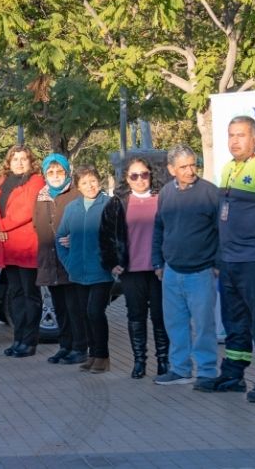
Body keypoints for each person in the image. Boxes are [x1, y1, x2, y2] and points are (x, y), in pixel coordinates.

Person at [195, 116, 255, 403]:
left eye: (241, 135)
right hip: (231, 260)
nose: (235, 141)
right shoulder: (229, 168)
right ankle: (233, 375)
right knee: (235, 321)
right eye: (231, 135)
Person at [152, 145, 222, 388]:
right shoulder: (165, 195)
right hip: (172, 272)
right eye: (183, 167)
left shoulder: (210, 193)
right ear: (171, 169)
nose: (190, 170)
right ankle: (180, 369)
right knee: (175, 324)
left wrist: (217, 263)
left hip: (201, 272)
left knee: (203, 326)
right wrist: (158, 262)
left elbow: (223, 229)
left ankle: (206, 372)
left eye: (193, 164)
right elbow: (159, 228)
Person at [102, 158, 169, 379]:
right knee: (136, 316)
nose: (140, 179)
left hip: (159, 270)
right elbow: (106, 235)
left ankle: (163, 361)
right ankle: (139, 361)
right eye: (134, 175)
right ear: (127, 178)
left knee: (160, 317)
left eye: (144, 174)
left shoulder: (163, 199)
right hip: (132, 270)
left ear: (151, 174)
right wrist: (113, 262)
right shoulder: (118, 202)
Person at [0, 146, 45, 358]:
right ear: (9, 162)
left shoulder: (36, 181)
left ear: (31, 162)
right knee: (16, 295)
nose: (19, 163)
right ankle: (18, 339)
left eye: (23, 159)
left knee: (30, 295)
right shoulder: (4, 181)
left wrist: (1, 226)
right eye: (15, 159)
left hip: (27, 245)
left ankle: (29, 342)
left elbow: (27, 210)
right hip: (8, 245)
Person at [56, 166, 114, 373]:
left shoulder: (109, 204)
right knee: (84, 313)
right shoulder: (72, 208)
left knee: (95, 312)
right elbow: (60, 239)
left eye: (93, 181)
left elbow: (118, 237)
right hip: (78, 272)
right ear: (78, 187)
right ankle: (92, 354)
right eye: (84, 183)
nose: (90, 186)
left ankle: (103, 356)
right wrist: (69, 262)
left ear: (99, 181)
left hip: (101, 272)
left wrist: (111, 262)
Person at [31, 153, 84, 365]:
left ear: (67, 172)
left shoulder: (76, 195)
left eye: (59, 171)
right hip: (50, 261)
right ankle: (65, 345)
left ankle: (80, 347)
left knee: (75, 307)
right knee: (60, 307)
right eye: (50, 172)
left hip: (71, 262)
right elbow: (37, 225)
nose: (55, 175)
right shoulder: (41, 197)